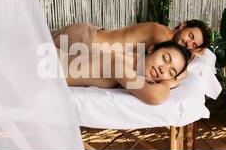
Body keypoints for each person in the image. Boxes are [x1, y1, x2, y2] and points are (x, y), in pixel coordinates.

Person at [59, 41, 191, 105]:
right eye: (165, 58)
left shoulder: (136, 65)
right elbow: (154, 96)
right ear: (151, 49)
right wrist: (166, 83)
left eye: (170, 72)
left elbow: (185, 73)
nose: (163, 69)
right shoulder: (120, 63)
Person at [51, 20, 211, 59]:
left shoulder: (165, 38)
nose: (189, 43)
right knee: (30, 52)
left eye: (194, 44)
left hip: (88, 44)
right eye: (190, 36)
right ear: (182, 26)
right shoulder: (161, 34)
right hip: (85, 40)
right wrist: (194, 54)